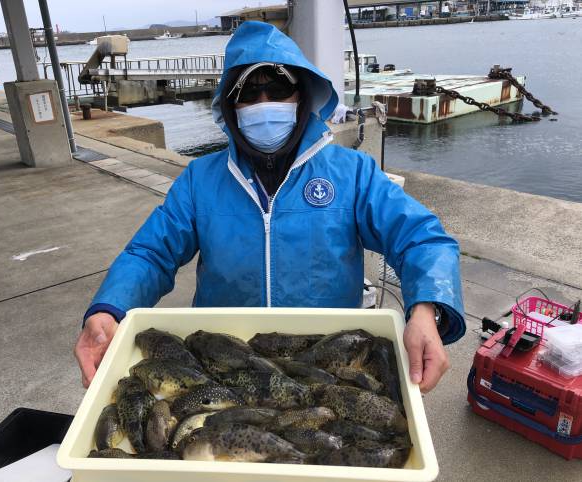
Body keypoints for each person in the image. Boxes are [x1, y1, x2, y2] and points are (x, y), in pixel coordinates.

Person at [74, 21, 465, 393]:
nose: (264, 103)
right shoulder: (199, 181)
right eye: (248, 93)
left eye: (279, 89)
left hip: (329, 363)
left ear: (302, 97)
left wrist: (426, 309)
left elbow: (421, 239)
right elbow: (150, 254)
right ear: (231, 106)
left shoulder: (354, 173)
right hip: (224, 361)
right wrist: (109, 310)